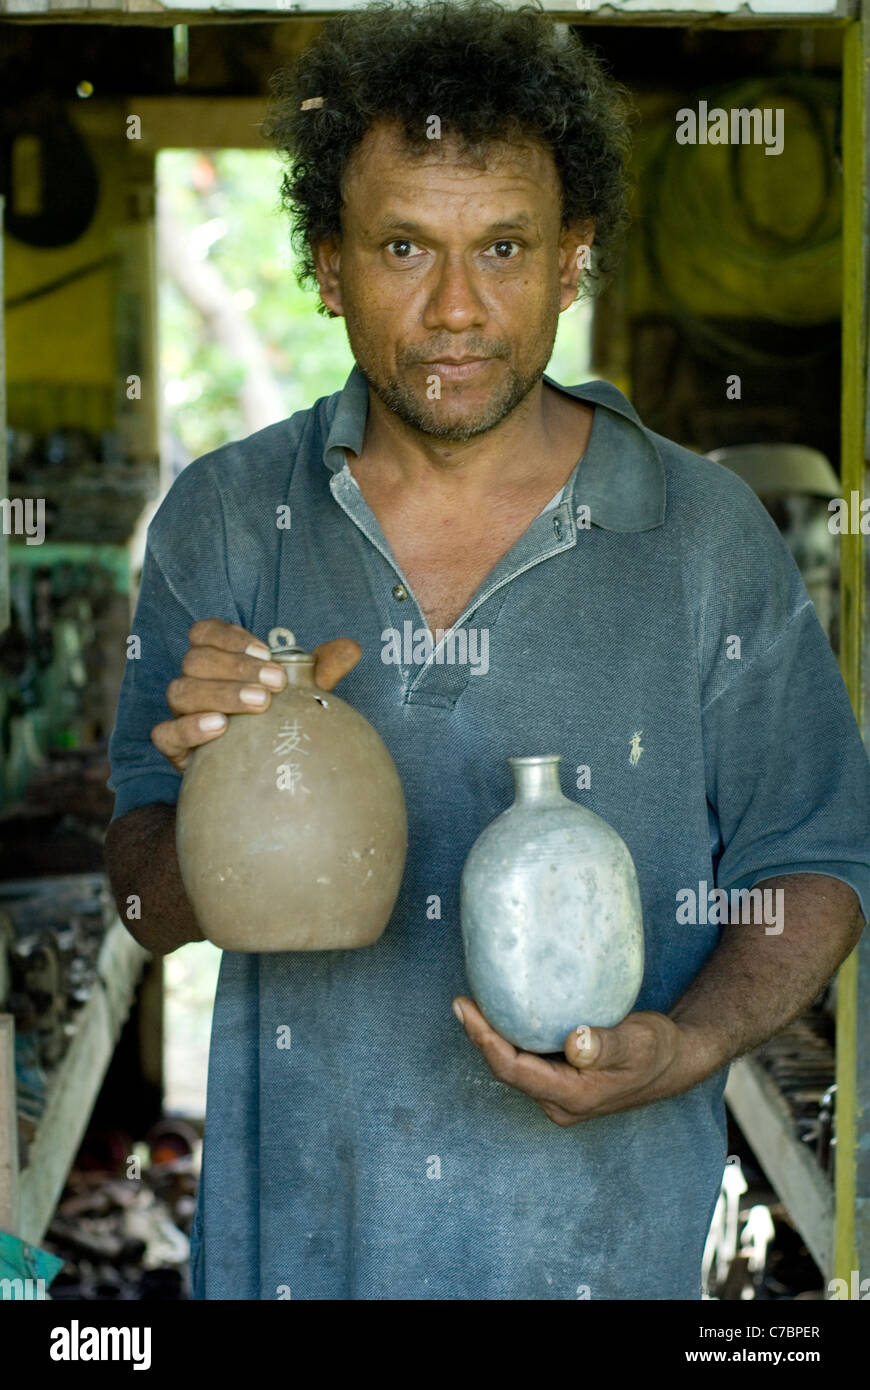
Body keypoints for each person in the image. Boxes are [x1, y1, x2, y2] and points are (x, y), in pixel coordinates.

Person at [105, 0, 870, 1300]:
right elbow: (136, 900)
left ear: (571, 261)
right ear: (329, 265)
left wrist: (683, 1046)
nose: (456, 308)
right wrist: (216, 809)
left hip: (598, 1255)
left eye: (503, 247)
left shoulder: (700, 531)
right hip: (300, 1252)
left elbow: (816, 858)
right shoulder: (229, 519)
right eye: (404, 245)